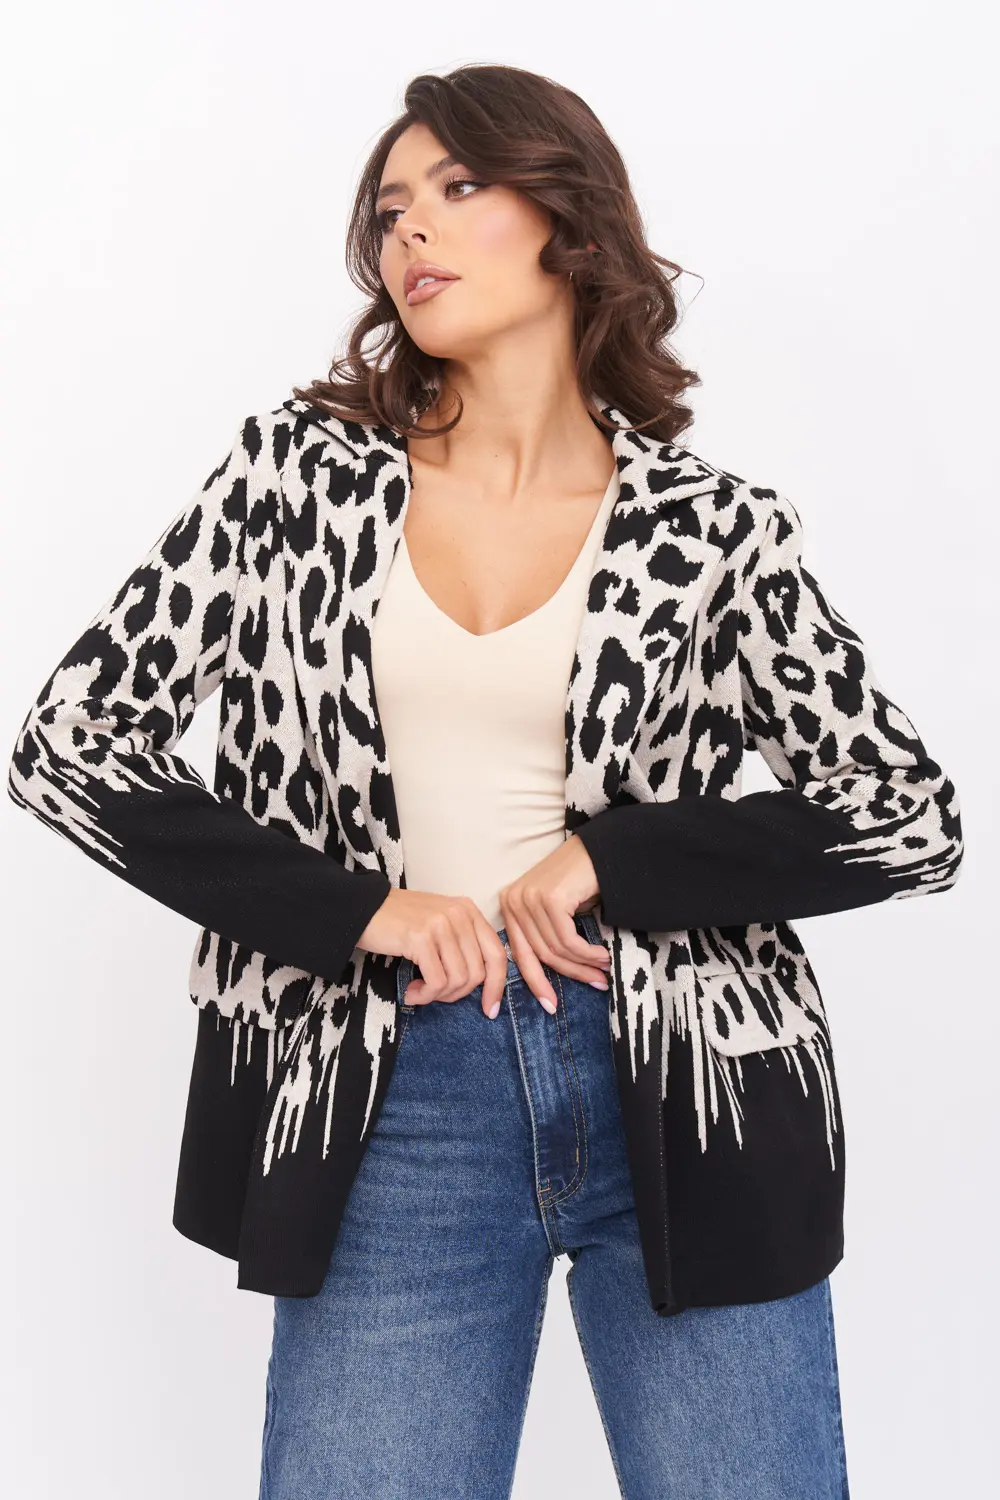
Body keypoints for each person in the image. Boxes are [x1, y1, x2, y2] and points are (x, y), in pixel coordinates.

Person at [8, 63, 962, 1500]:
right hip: (400, 1087)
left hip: (681, 1087)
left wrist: (616, 863)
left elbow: (907, 811)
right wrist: (355, 911)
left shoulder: (715, 532)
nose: (410, 228)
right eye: (391, 205)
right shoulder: (294, 483)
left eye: (459, 188)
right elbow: (71, 742)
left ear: (570, 223)